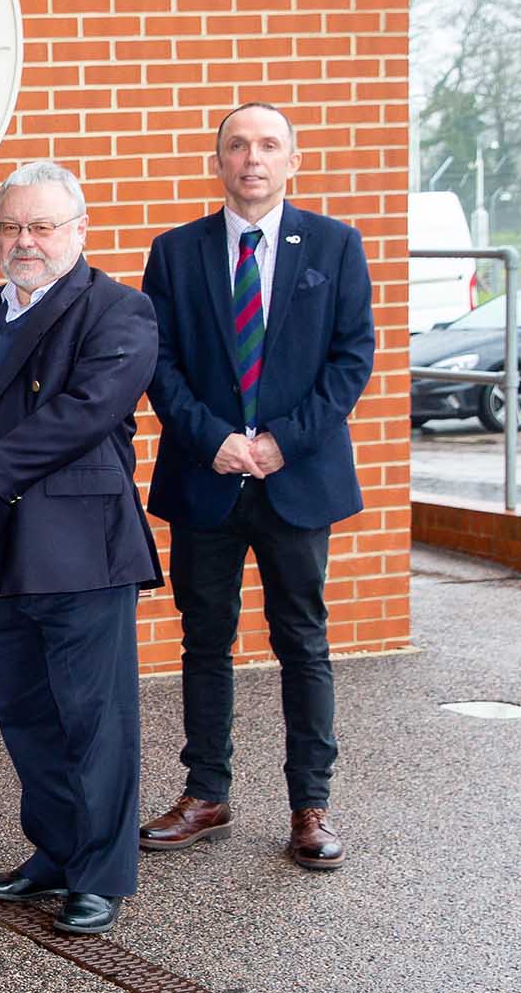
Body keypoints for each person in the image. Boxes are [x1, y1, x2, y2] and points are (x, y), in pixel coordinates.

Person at [0, 160, 161, 936]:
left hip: (80, 549)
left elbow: (85, 413)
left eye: (42, 226)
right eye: (12, 226)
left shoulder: (119, 311)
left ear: (77, 232)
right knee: (28, 716)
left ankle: (101, 875)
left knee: (95, 720)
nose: (26, 241)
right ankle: (53, 854)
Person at [138, 102, 375, 871]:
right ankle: (206, 792)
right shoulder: (175, 253)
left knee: (301, 640)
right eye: (237, 145)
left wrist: (280, 442)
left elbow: (352, 358)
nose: (252, 158)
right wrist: (216, 440)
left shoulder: (336, 246)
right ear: (217, 162)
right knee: (204, 638)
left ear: (292, 160)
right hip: (206, 477)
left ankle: (311, 804)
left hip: (296, 479)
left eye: (268, 145)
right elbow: (157, 362)